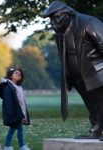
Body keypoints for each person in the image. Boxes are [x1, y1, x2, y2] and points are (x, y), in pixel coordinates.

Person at [43, 0, 103, 139]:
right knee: (91, 104)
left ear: (67, 14)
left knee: (101, 101)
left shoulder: (88, 23)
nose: (54, 23)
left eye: (56, 18)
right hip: (79, 77)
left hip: (97, 73)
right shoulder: (60, 31)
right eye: (52, 20)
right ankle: (96, 129)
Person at [0, 68, 30, 150]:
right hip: (13, 112)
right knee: (20, 128)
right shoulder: (8, 86)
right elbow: (8, 100)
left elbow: (21, 101)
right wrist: (10, 113)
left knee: (13, 129)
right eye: (16, 73)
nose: (18, 75)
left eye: (20, 74)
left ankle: (7, 147)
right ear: (11, 75)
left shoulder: (18, 87)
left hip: (19, 111)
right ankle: (22, 146)